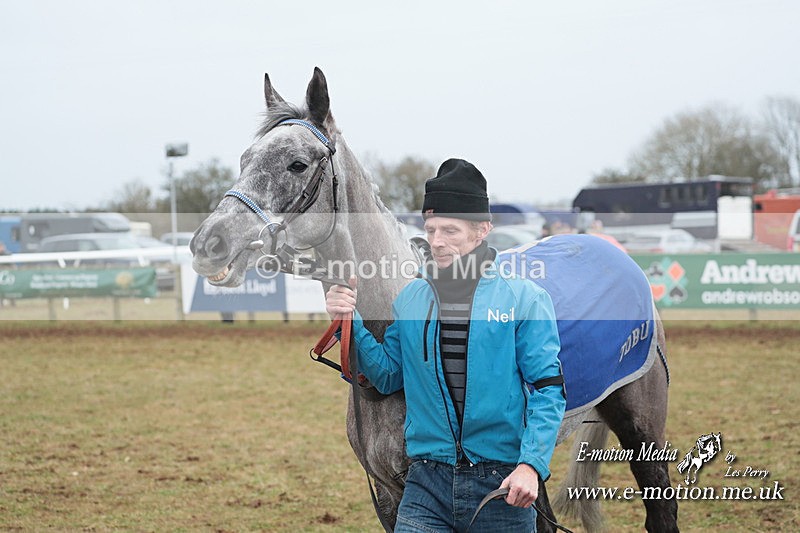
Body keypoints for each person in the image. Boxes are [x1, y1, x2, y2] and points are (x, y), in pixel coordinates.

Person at [326, 158, 566, 532]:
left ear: (482, 230)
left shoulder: (525, 299)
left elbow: (548, 391)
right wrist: (348, 320)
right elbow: (388, 376)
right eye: (431, 228)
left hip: (501, 483)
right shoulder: (410, 299)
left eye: (450, 231)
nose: (437, 242)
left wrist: (531, 465)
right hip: (426, 482)